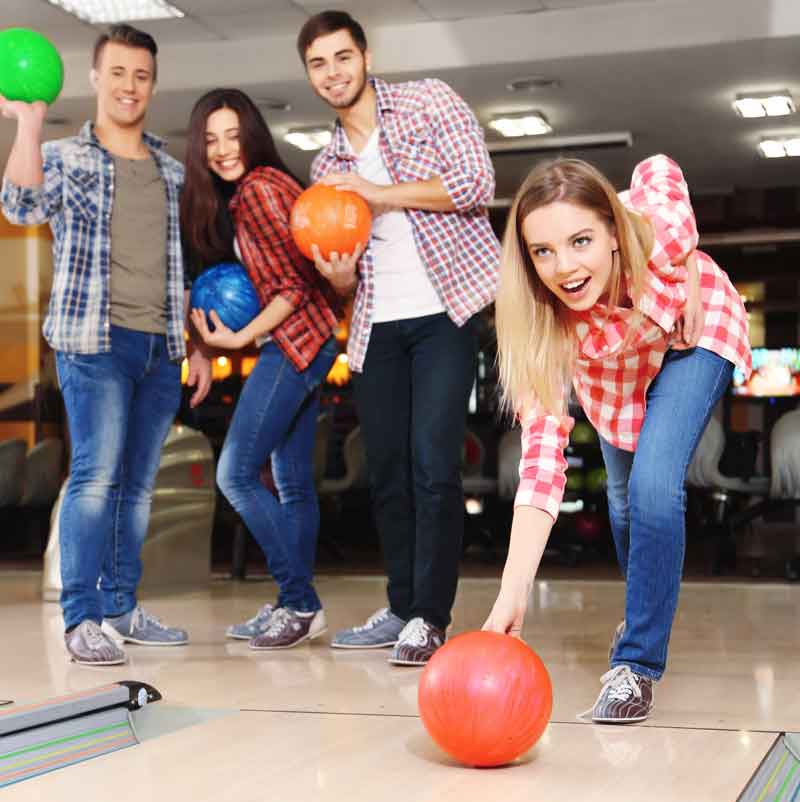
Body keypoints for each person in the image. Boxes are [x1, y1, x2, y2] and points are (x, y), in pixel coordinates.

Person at [483, 154, 751, 722]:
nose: (565, 268)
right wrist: (512, 592)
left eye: (581, 240)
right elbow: (540, 464)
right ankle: (643, 611)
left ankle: (636, 666)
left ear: (612, 230)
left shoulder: (654, 230)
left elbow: (660, 167)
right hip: (617, 375)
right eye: (543, 251)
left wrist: (695, 271)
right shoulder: (541, 325)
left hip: (690, 336)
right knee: (626, 504)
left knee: (655, 487)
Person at [0, 23, 212, 667]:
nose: (130, 86)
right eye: (118, 73)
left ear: (152, 82)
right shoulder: (66, 156)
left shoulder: (173, 171)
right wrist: (29, 125)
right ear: (96, 78)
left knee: (139, 486)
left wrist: (196, 343)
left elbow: (180, 265)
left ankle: (121, 605)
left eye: (141, 75)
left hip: (160, 349)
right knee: (94, 479)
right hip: (93, 343)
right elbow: (20, 205)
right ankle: (82, 617)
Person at [296, 10, 500, 666]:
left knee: (433, 464)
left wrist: (379, 192)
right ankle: (401, 604)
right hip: (375, 325)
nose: (333, 73)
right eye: (319, 64)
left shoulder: (427, 101)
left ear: (365, 55)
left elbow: (477, 185)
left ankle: (430, 617)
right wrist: (337, 275)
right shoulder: (323, 163)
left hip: (447, 307)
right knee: (385, 469)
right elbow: (343, 275)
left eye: (342, 57)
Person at [182, 89, 340, 649]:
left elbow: (294, 286)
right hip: (311, 341)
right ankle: (294, 605)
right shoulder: (258, 190)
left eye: (233, 135)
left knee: (235, 474)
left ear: (252, 134)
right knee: (293, 483)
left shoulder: (259, 191)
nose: (224, 150)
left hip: (294, 343)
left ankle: (298, 600)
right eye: (211, 139)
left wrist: (238, 338)